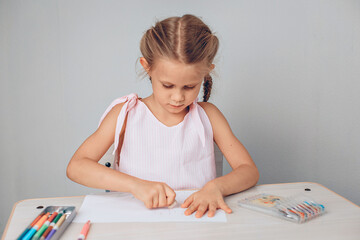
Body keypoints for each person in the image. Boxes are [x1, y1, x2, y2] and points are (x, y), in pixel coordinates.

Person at [67, 14, 259, 218]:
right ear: (147, 66)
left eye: (189, 86)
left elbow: (248, 170)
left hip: (195, 220)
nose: (177, 97)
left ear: (206, 73)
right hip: (135, 221)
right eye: (167, 85)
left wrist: (217, 187)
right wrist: (135, 185)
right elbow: (76, 166)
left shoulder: (209, 116)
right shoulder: (125, 114)